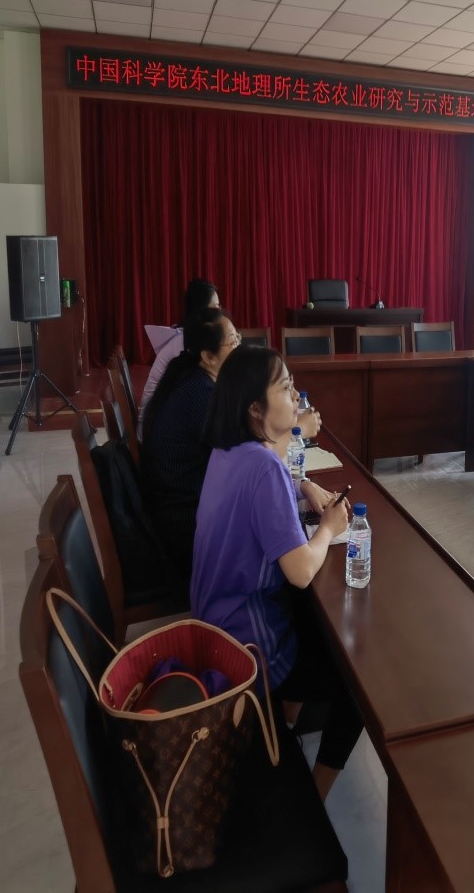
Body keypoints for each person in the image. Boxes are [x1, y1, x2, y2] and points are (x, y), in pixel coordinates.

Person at [191, 346, 362, 800]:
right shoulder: (263, 466)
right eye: (286, 388)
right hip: (244, 647)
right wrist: (329, 528)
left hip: (213, 623)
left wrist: (303, 485)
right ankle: (312, 797)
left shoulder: (229, 450)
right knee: (358, 683)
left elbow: (269, 483)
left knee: (313, 621)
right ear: (255, 408)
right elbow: (301, 570)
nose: (296, 398)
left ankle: (284, 721)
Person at [138, 308, 237, 601]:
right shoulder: (201, 394)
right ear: (208, 356)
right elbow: (244, 460)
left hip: (176, 513)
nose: (240, 348)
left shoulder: (192, 380)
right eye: (233, 342)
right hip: (185, 532)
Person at [137, 278, 218, 438]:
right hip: (154, 433)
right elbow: (202, 388)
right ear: (201, 310)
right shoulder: (186, 343)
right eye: (215, 307)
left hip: (158, 423)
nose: (220, 314)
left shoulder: (187, 336)